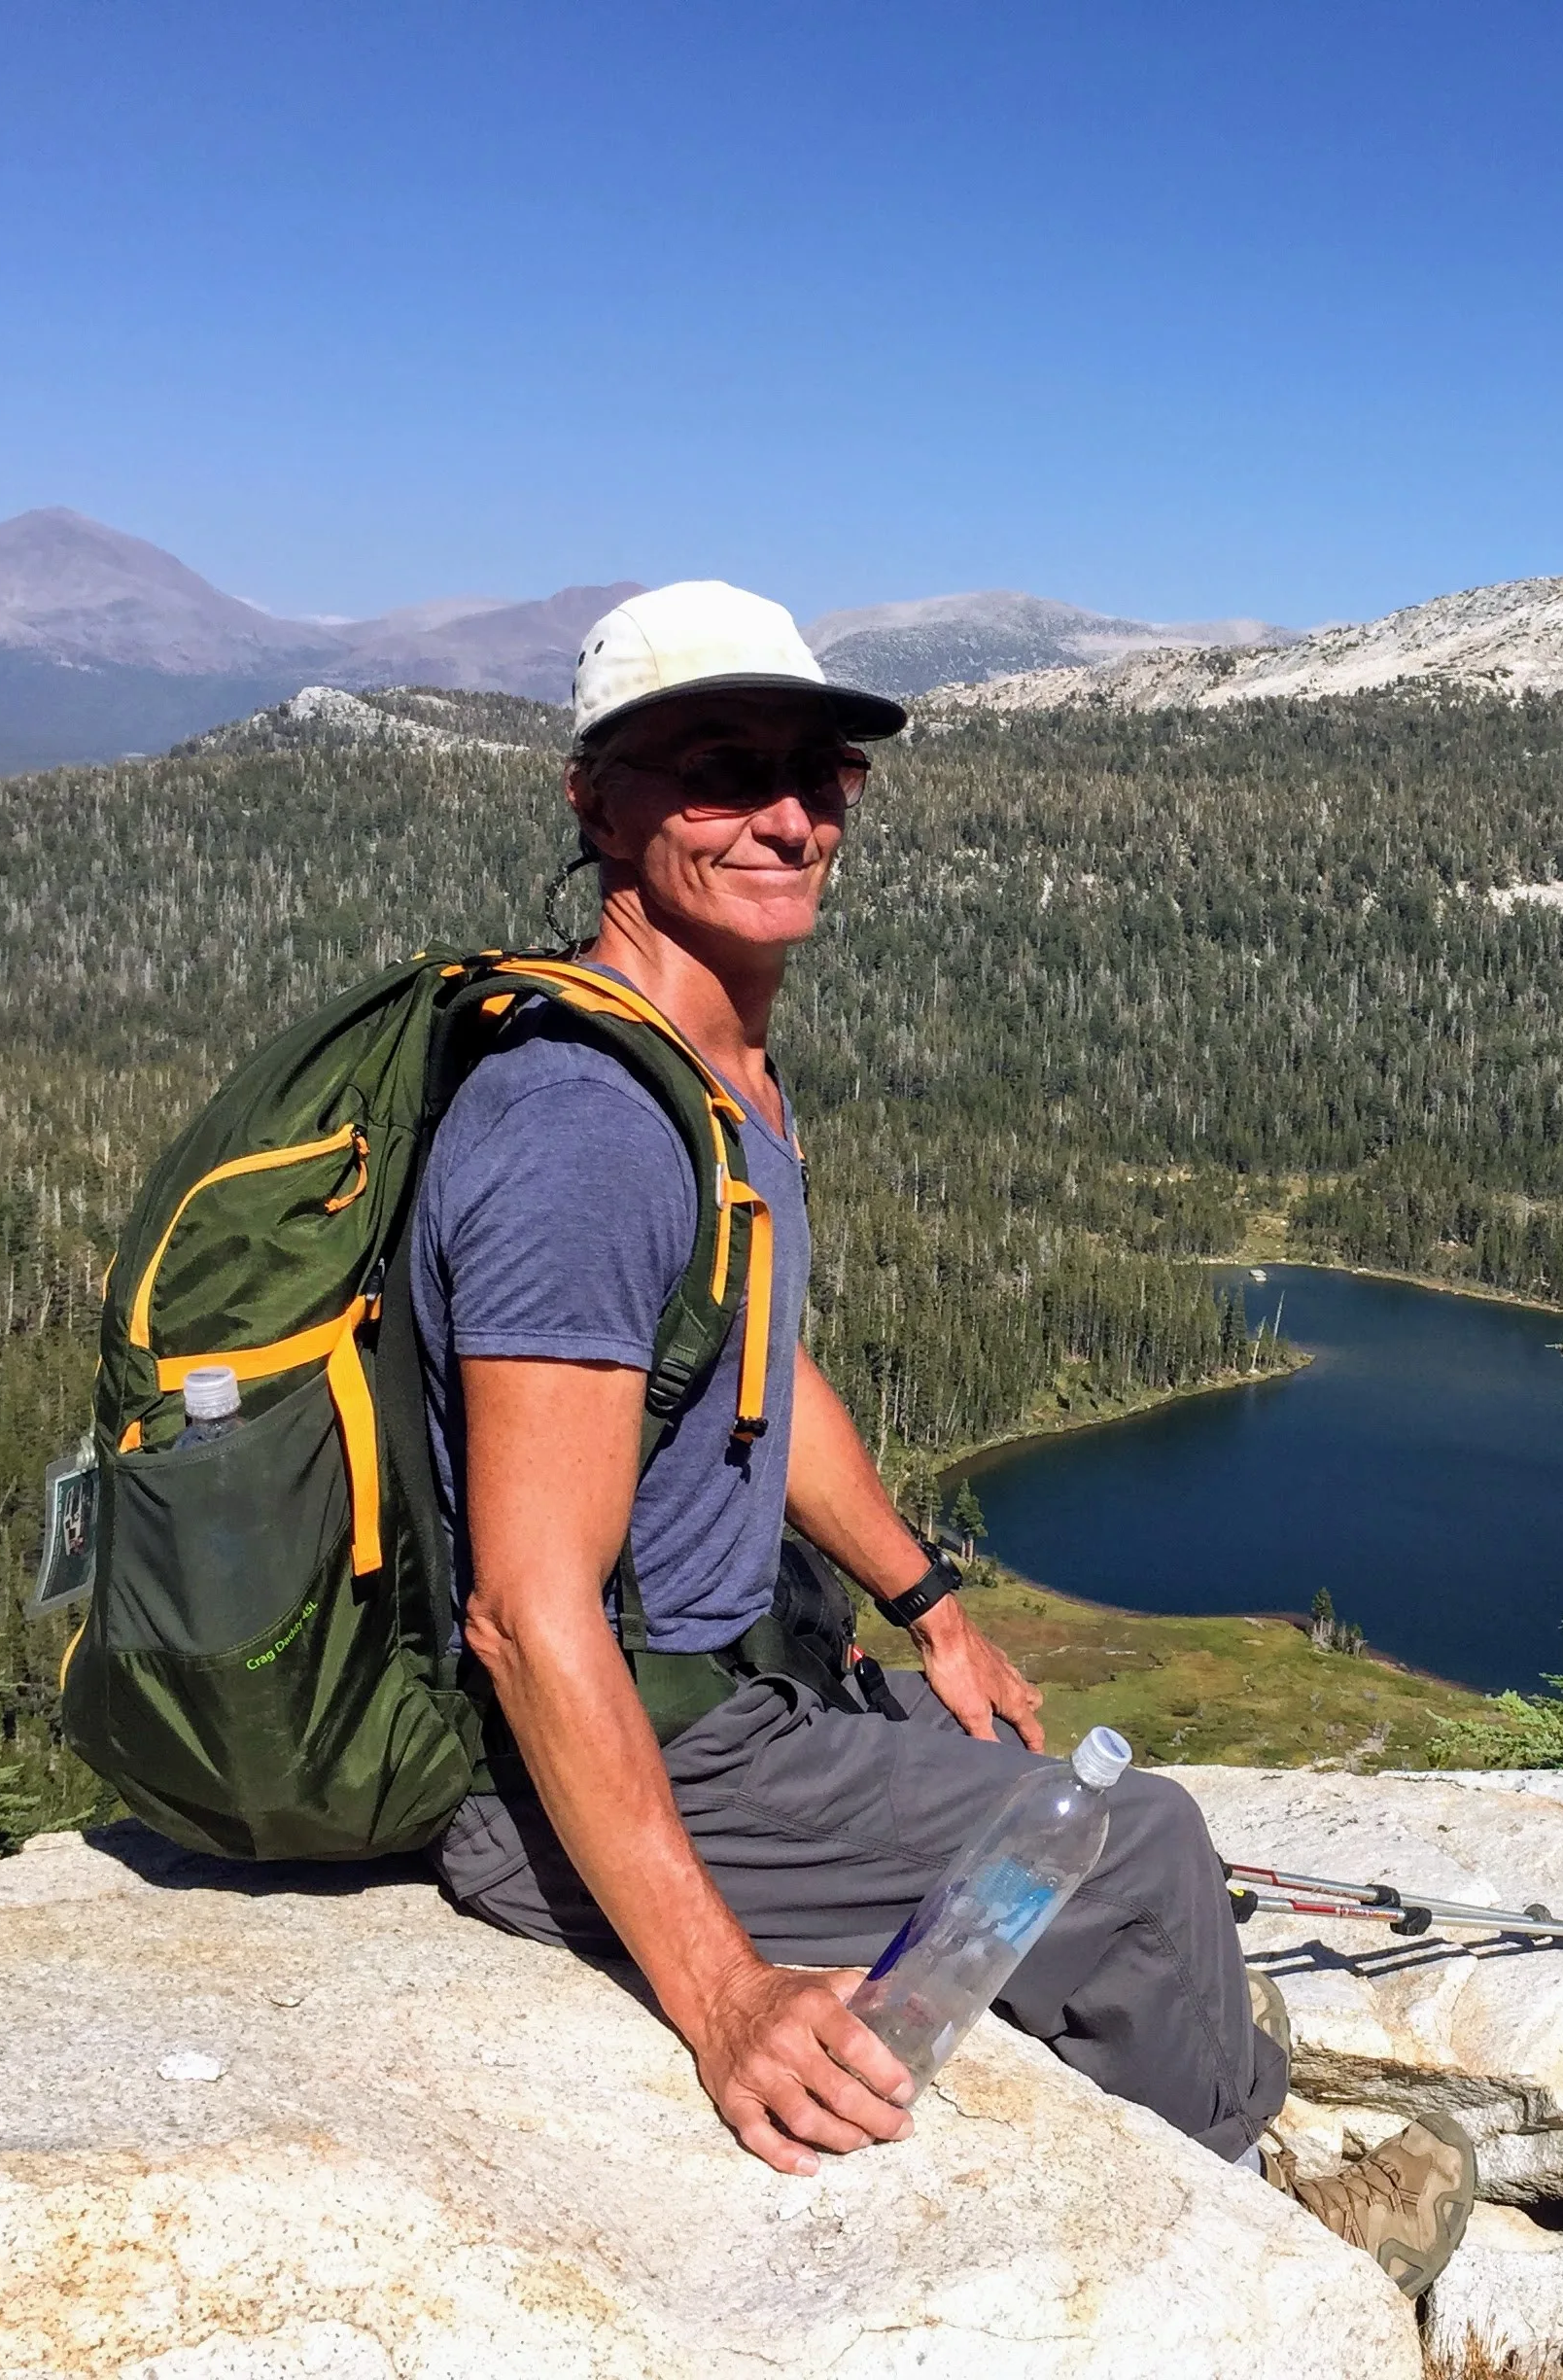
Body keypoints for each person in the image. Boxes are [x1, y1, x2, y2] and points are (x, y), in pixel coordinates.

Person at [416, 580, 1476, 2292]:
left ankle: (1149, 2053)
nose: (787, 817)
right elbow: (527, 1614)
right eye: (720, 771)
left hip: (728, 1700)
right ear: (596, 804)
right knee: (1135, 1844)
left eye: (819, 774)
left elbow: (757, 1365)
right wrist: (723, 1997)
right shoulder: (585, 1125)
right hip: (599, 1760)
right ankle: (1242, 2245)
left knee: (1042, 1778)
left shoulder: (708, 1067)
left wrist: (932, 1608)